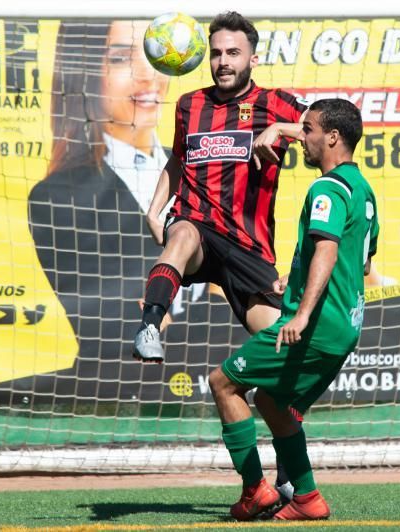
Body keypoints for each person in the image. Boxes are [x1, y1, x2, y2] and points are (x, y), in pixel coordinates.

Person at [208, 98, 379, 521]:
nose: (301, 138)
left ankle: (254, 492)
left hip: (317, 324)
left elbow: (327, 249)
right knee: (270, 401)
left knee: (223, 383)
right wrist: (297, 282)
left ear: (332, 137)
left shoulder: (326, 188)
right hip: (344, 327)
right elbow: (363, 262)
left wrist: (302, 312)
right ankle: (306, 497)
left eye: (308, 130)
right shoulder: (363, 190)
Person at [27, 20, 202, 398]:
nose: (147, 75)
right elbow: (109, 326)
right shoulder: (58, 197)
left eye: (153, 55)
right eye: (121, 58)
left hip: (211, 379)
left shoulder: (194, 169)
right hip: (125, 390)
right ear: (87, 72)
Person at [132, 11, 307, 364]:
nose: (223, 62)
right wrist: (154, 210)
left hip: (248, 245)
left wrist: (281, 130)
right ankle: (149, 327)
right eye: (216, 53)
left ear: (253, 59)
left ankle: (284, 412)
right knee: (181, 234)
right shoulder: (189, 105)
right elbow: (178, 161)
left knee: (287, 352)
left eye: (233, 53)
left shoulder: (276, 103)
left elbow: (330, 125)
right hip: (196, 225)